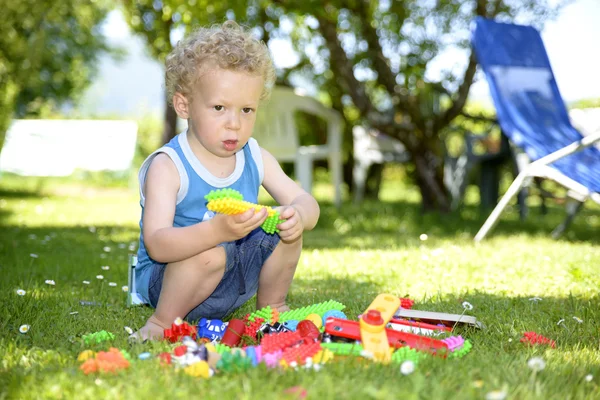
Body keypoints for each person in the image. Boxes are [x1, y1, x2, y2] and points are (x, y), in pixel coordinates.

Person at [131, 21, 320, 341]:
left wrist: (299, 216)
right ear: (184, 105)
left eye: (247, 110)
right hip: (169, 282)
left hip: (231, 277)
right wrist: (215, 231)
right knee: (210, 252)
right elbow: (158, 244)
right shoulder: (169, 165)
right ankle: (161, 324)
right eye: (219, 108)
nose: (235, 124)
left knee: (285, 232)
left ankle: (273, 310)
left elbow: (306, 202)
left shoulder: (255, 157)